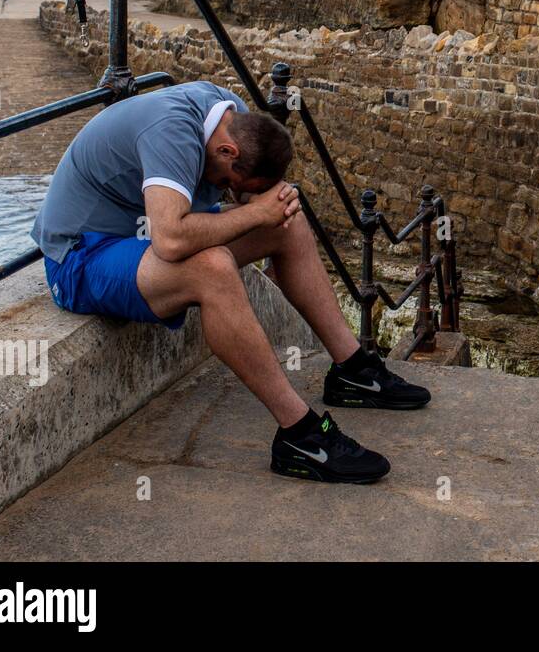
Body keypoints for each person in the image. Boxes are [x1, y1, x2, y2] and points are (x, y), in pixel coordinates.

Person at [31, 80, 431, 484]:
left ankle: (353, 370)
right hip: (80, 258)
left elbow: (254, 203)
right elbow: (170, 240)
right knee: (213, 266)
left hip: (135, 244)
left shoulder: (230, 113)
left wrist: (271, 206)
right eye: (227, 184)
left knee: (288, 225)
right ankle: (299, 435)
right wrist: (257, 214)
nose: (226, 192)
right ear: (227, 152)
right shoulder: (171, 132)